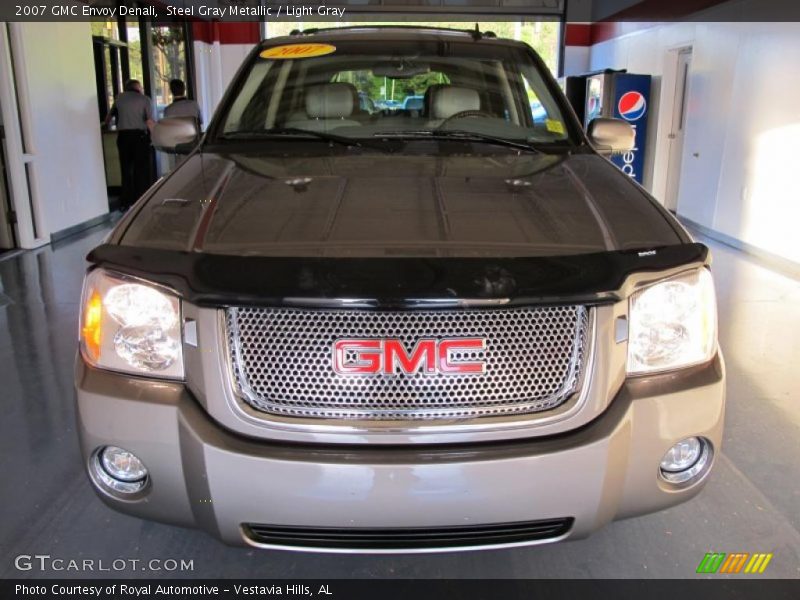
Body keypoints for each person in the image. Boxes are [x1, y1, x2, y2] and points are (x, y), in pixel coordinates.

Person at [104, 79, 155, 210]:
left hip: (123, 138)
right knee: (141, 170)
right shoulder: (144, 100)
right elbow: (149, 121)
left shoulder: (118, 100)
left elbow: (107, 119)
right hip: (140, 137)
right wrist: (155, 136)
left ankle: (126, 201)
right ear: (137, 88)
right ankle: (142, 201)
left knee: (126, 169)